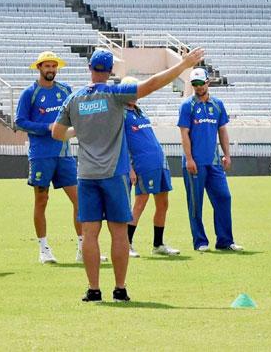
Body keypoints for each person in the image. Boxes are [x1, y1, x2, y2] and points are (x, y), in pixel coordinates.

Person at [53, 47, 204, 302]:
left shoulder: (74, 99)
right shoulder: (114, 94)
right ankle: (120, 288)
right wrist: (182, 66)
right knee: (119, 232)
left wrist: (76, 132)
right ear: (111, 71)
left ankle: (93, 289)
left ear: (89, 69)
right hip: (114, 173)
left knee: (90, 233)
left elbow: (57, 133)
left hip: (87, 174)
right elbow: (152, 84)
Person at [15, 51, 105, 264]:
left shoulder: (65, 90)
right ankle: (44, 248)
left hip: (64, 154)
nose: (51, 70)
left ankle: (84, 248)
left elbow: (77, 114)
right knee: (41, 200)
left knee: (79, 200)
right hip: (40, 155)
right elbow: (20, 121)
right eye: (47, 66)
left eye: (54, 66)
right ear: (39, 68)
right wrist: (47, 127)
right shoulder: (30, 93)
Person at [178, 68, 243, 252]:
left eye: (201, 83)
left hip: (214, 162)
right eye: (195, 84)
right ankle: (200, 242)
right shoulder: (187, 106)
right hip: (195, 164)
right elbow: (184, 134)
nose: (198, 87)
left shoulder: (218, 105)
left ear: (208, 82)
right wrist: (189, 159)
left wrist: (227, 154)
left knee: (224, 197)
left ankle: (225, 240)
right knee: (196, 204)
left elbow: (222, 131)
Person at [120, 76, 180, 258]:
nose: (134, 95)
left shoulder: (139, 111)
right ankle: (127, 244)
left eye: (135, 90)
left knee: (163, 203)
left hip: (159, 162)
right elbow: (120, 143)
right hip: (142, 164)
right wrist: (129, 167)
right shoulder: (120, 114)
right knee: (141, 202)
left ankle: (158, 244)